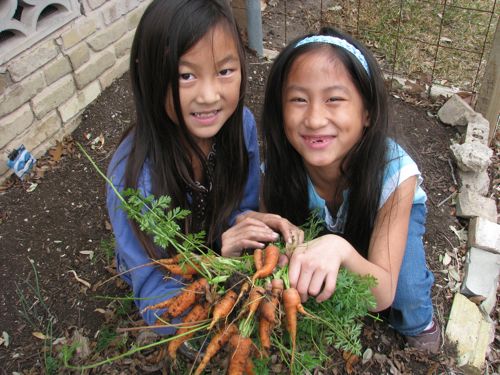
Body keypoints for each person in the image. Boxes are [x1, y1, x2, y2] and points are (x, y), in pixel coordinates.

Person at [106, 0, 297, 334]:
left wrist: (246, 223)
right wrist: (218, 281)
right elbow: (155, 297)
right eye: (186, 75)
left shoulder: (241, 126)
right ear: (148, 73)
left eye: (224, 71)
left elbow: (243, 205)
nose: (209, 96)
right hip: (167, 271)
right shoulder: (133, 179)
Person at [261, 27, 440, 353]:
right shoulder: (277, 168)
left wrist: (341, 250)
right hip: (331, 222)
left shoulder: (396, 176)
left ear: (367, 112)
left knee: (405, 294)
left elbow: (380, 295)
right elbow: (271, 236)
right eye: (299, 99)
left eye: (334, 99)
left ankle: (421, 323)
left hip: (385, 210)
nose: (315, 119)